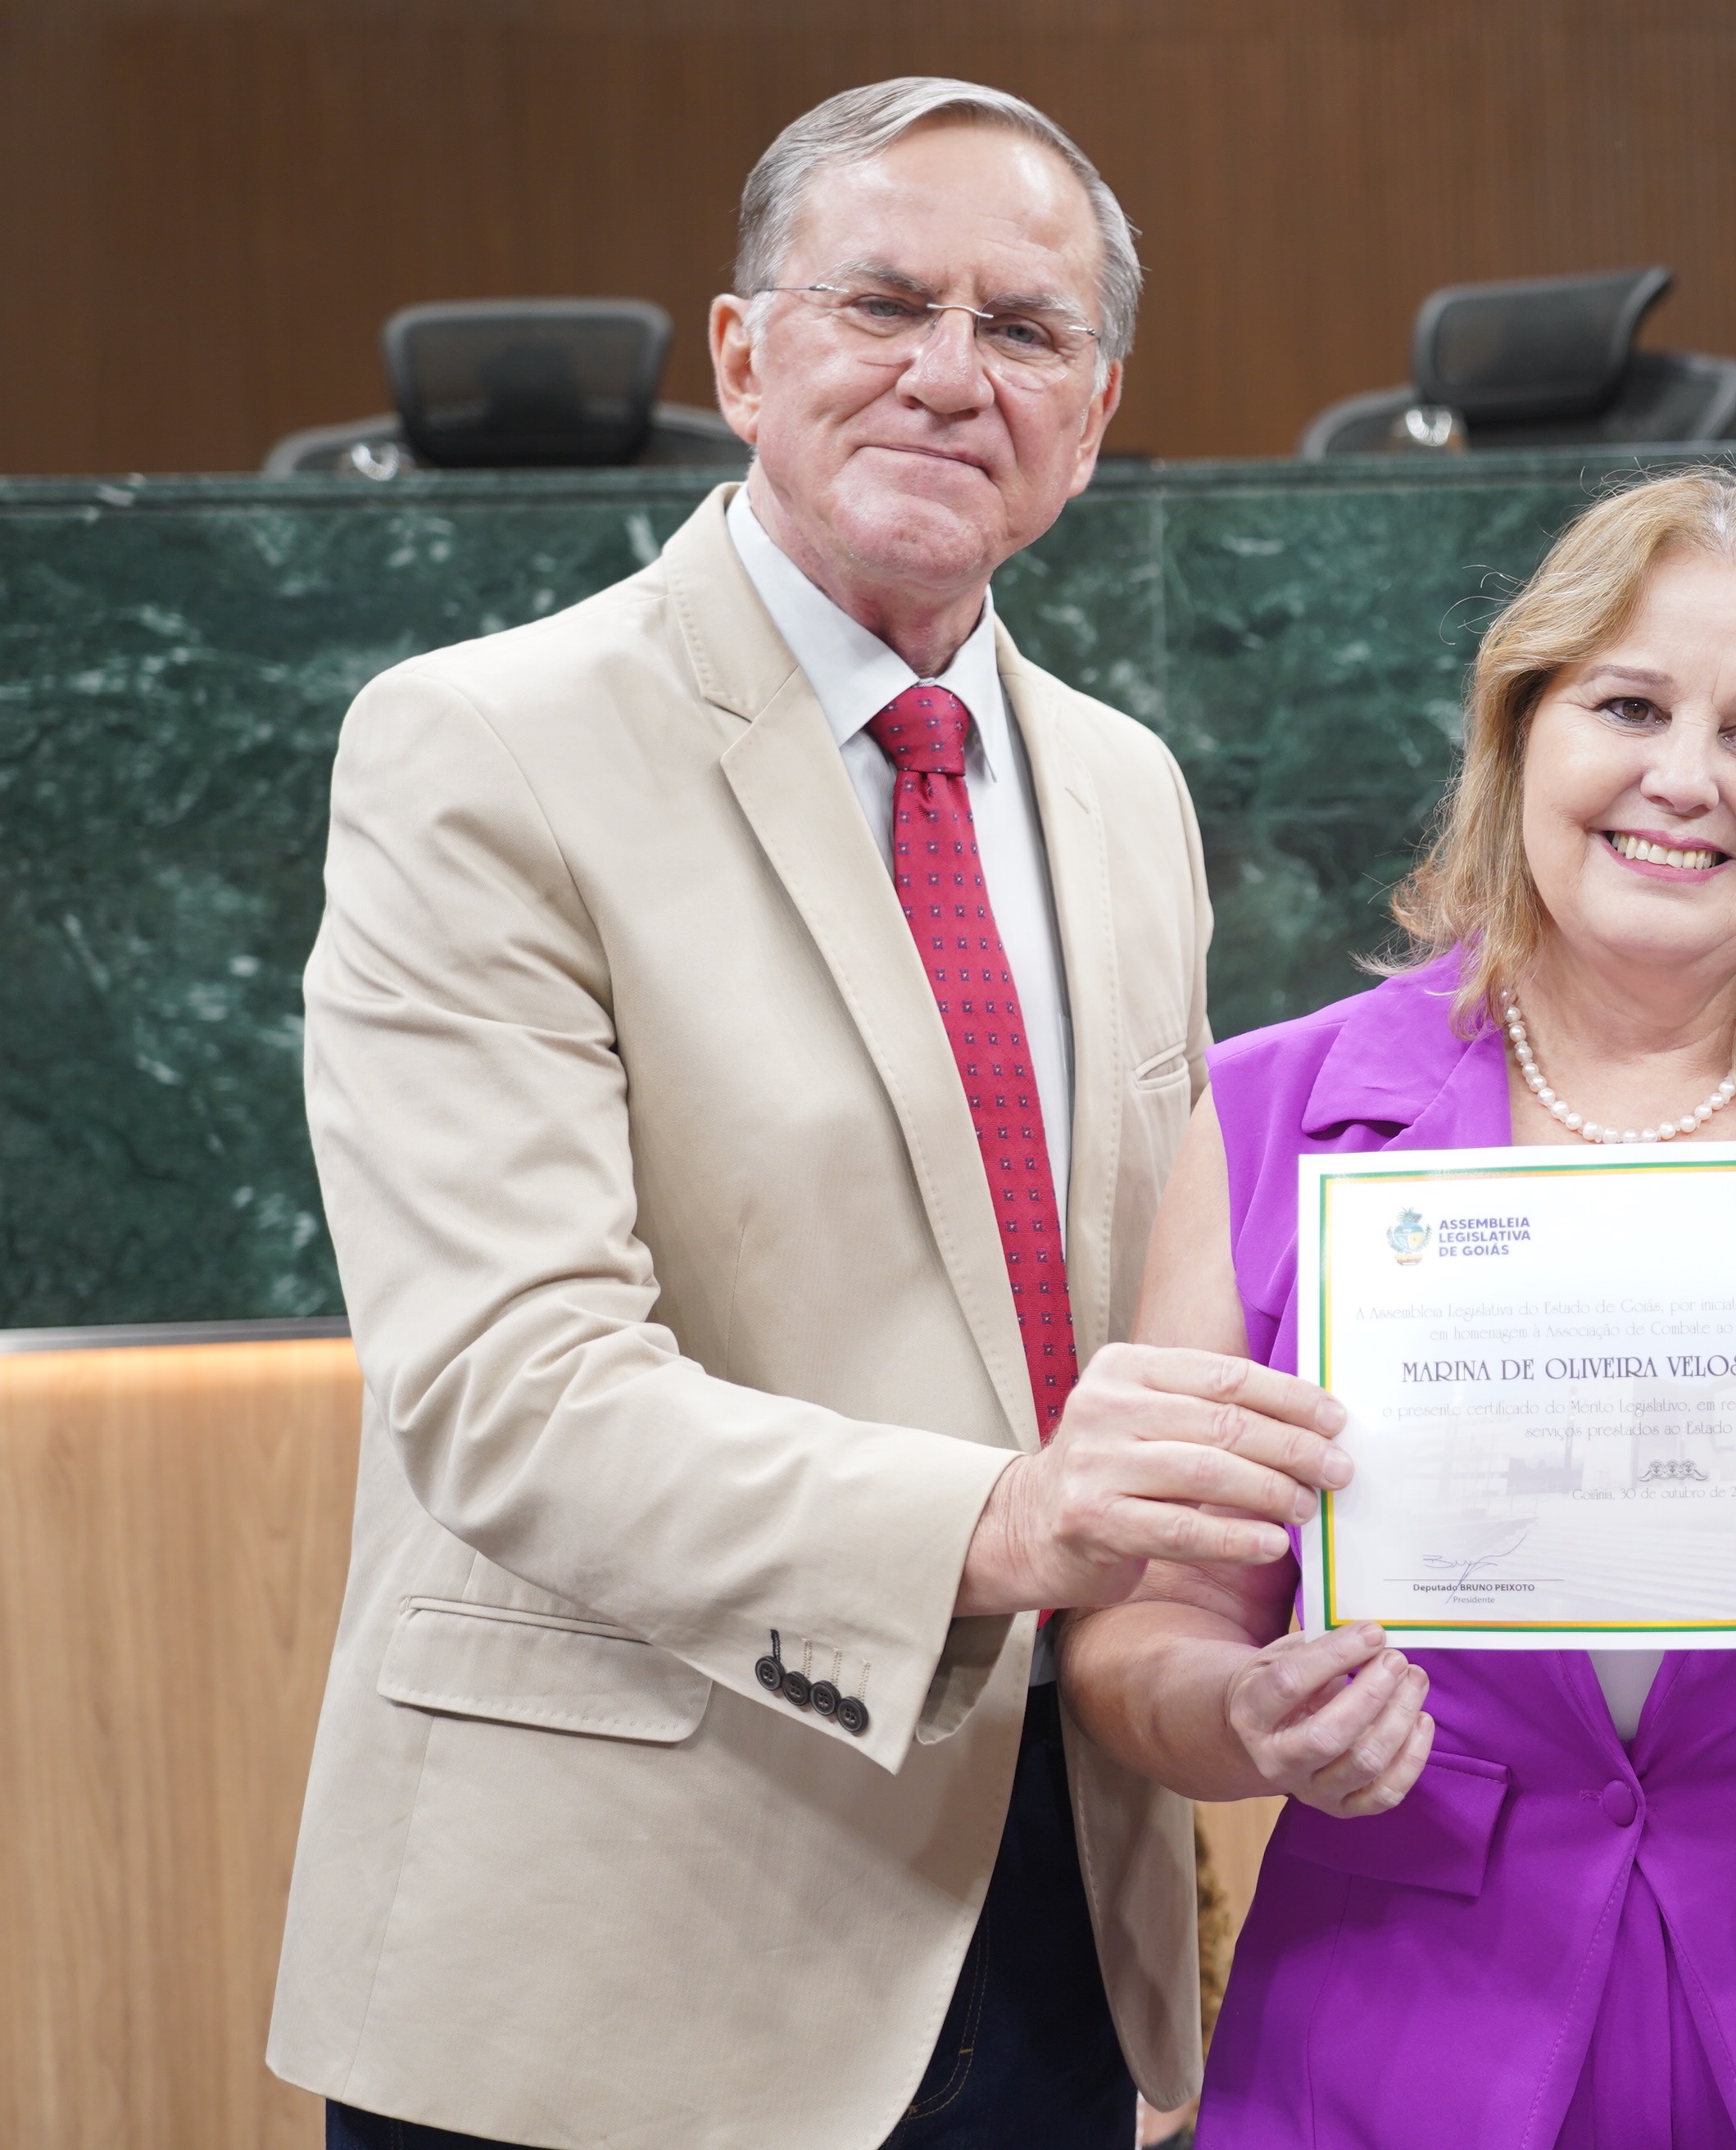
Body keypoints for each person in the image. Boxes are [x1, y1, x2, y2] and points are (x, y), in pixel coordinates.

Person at [270, 79, 1354, 2150]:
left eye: (1022, 328)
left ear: (1095, 413)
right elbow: (508, 1386)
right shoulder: (480, 747)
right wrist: (1002, 1523)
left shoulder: (1125, 788)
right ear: (744, 356)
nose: (951, 372)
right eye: (883, 302)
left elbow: (1159, 1318)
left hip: (1049, 1922)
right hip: (618, 1960)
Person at [1067, 470, 1736, 2148]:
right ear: (1521, 730)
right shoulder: (1275, 1117)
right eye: (1630, 706)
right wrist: (1243, 1718)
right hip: (1410, 2042)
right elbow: (1147, 1629)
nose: (1685, 779)